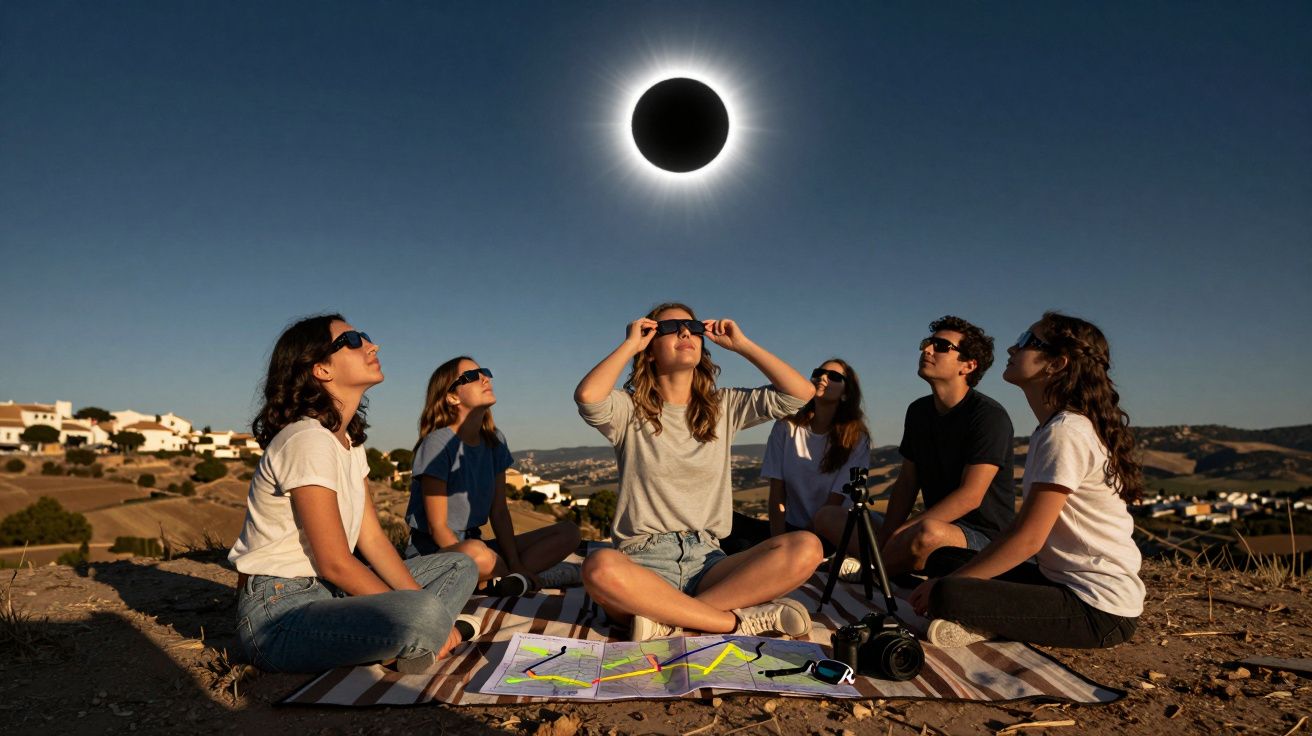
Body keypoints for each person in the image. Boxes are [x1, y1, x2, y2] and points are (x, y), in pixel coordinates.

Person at [229, 315, 480, 674]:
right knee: (422, 612)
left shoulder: (347, 443)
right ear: (320, 369)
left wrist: (413, 603)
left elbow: (373, 539)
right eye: (352, 340)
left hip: (329, 593)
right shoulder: (307, 439)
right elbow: (334, 560)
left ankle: (414, 637)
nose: (371, 345)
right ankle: (421, 634)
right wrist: (419, 610)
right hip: (279, 616)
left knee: (460, 564)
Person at [575, 303, 824, 641]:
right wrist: (631, 344)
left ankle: (668, 621)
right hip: (641, 561)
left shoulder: (724, 407)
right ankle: (729, 623)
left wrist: (743, 345)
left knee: (807, 547)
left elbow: (801, 393)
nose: (684, 332)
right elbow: (589, 397)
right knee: (599, 567)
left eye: (691, 326)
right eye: (670, 327)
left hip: (708, 560)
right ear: (649, 350)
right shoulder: (628, 409)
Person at [908, 312, 1144, 648]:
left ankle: (984, 621)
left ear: (1056, 364)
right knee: (943, 559)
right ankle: (992, 617)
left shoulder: (1065, 432)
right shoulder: (1053, 428)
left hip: (1098, 609)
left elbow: (1029, 539)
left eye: (1026, 342)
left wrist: (949, 585)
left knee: (948, 589)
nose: (1011, 348)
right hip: (1056, 581)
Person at [821, 316, 1014, 577]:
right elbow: (907, 482)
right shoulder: (918, 411)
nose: (927, 349)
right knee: (829, 516)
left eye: (942, 347)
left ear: (968, 365)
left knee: (927, 534)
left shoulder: (988, 416)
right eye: (928, 343)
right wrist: (890, 534)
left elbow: (971, 496)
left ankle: (873, 570)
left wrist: (905, 532)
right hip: (925, 528)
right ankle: (884, 562)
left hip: (980, 538)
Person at [406, 356, 581, 593]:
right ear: (452, 397)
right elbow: (438, 528)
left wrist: (516, 563)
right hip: (435, 553)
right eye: (471, 376)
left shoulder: (495, 441)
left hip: (477, 547)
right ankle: (503, 578)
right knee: (478, 554)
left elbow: (498, 511)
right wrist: (499, 565)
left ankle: (503, 579)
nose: (485, 378)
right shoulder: (437, 444)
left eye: (484, 372)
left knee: (569, 532)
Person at [740, 359, 870, 548]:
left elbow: (835, 501)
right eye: (818, 373)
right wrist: (778, 544)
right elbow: (777, 494)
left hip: (834, 533)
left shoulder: (856, 438)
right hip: (792, 530)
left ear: (846, 394)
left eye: (833, 376)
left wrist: (799, 544)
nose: (822, 378)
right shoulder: (786, 427)